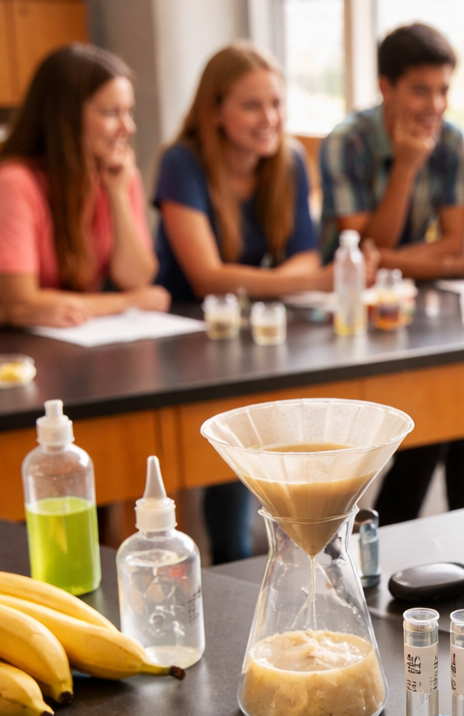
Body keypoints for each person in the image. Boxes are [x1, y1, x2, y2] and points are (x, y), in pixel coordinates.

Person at [320, 23, 464, 524]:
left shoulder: (450, 140)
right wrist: (406, 168)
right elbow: (368, 250)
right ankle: (394, 535)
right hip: (343, 316)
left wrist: (429, 259)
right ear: (385, 87)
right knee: (425, 426)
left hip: (418, 310)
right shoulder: (347, 142)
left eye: (444, 90)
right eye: (420, 90)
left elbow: (448, 239)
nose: (435, 104)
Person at [153, 42, 330, 562]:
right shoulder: (181, 162)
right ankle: (230, 561)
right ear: (215, 110)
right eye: (252, 105)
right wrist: (290, 279)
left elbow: (305, 258)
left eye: (275, 103)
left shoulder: (290, 159)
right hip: (185, 339)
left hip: (253, 333)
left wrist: (265, 281)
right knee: (231, 449)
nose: (269, 118)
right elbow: (207, 277)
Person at [0, 44, 167, 327]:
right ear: (65, 118)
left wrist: (117, 196)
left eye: (128, 112)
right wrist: (128, 304)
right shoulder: (15, 181)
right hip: (0, 342)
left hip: (69, 335)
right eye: (110, 113)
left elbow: (137, 278)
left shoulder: (118, 175)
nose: (127, 127)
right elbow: (23, 304)